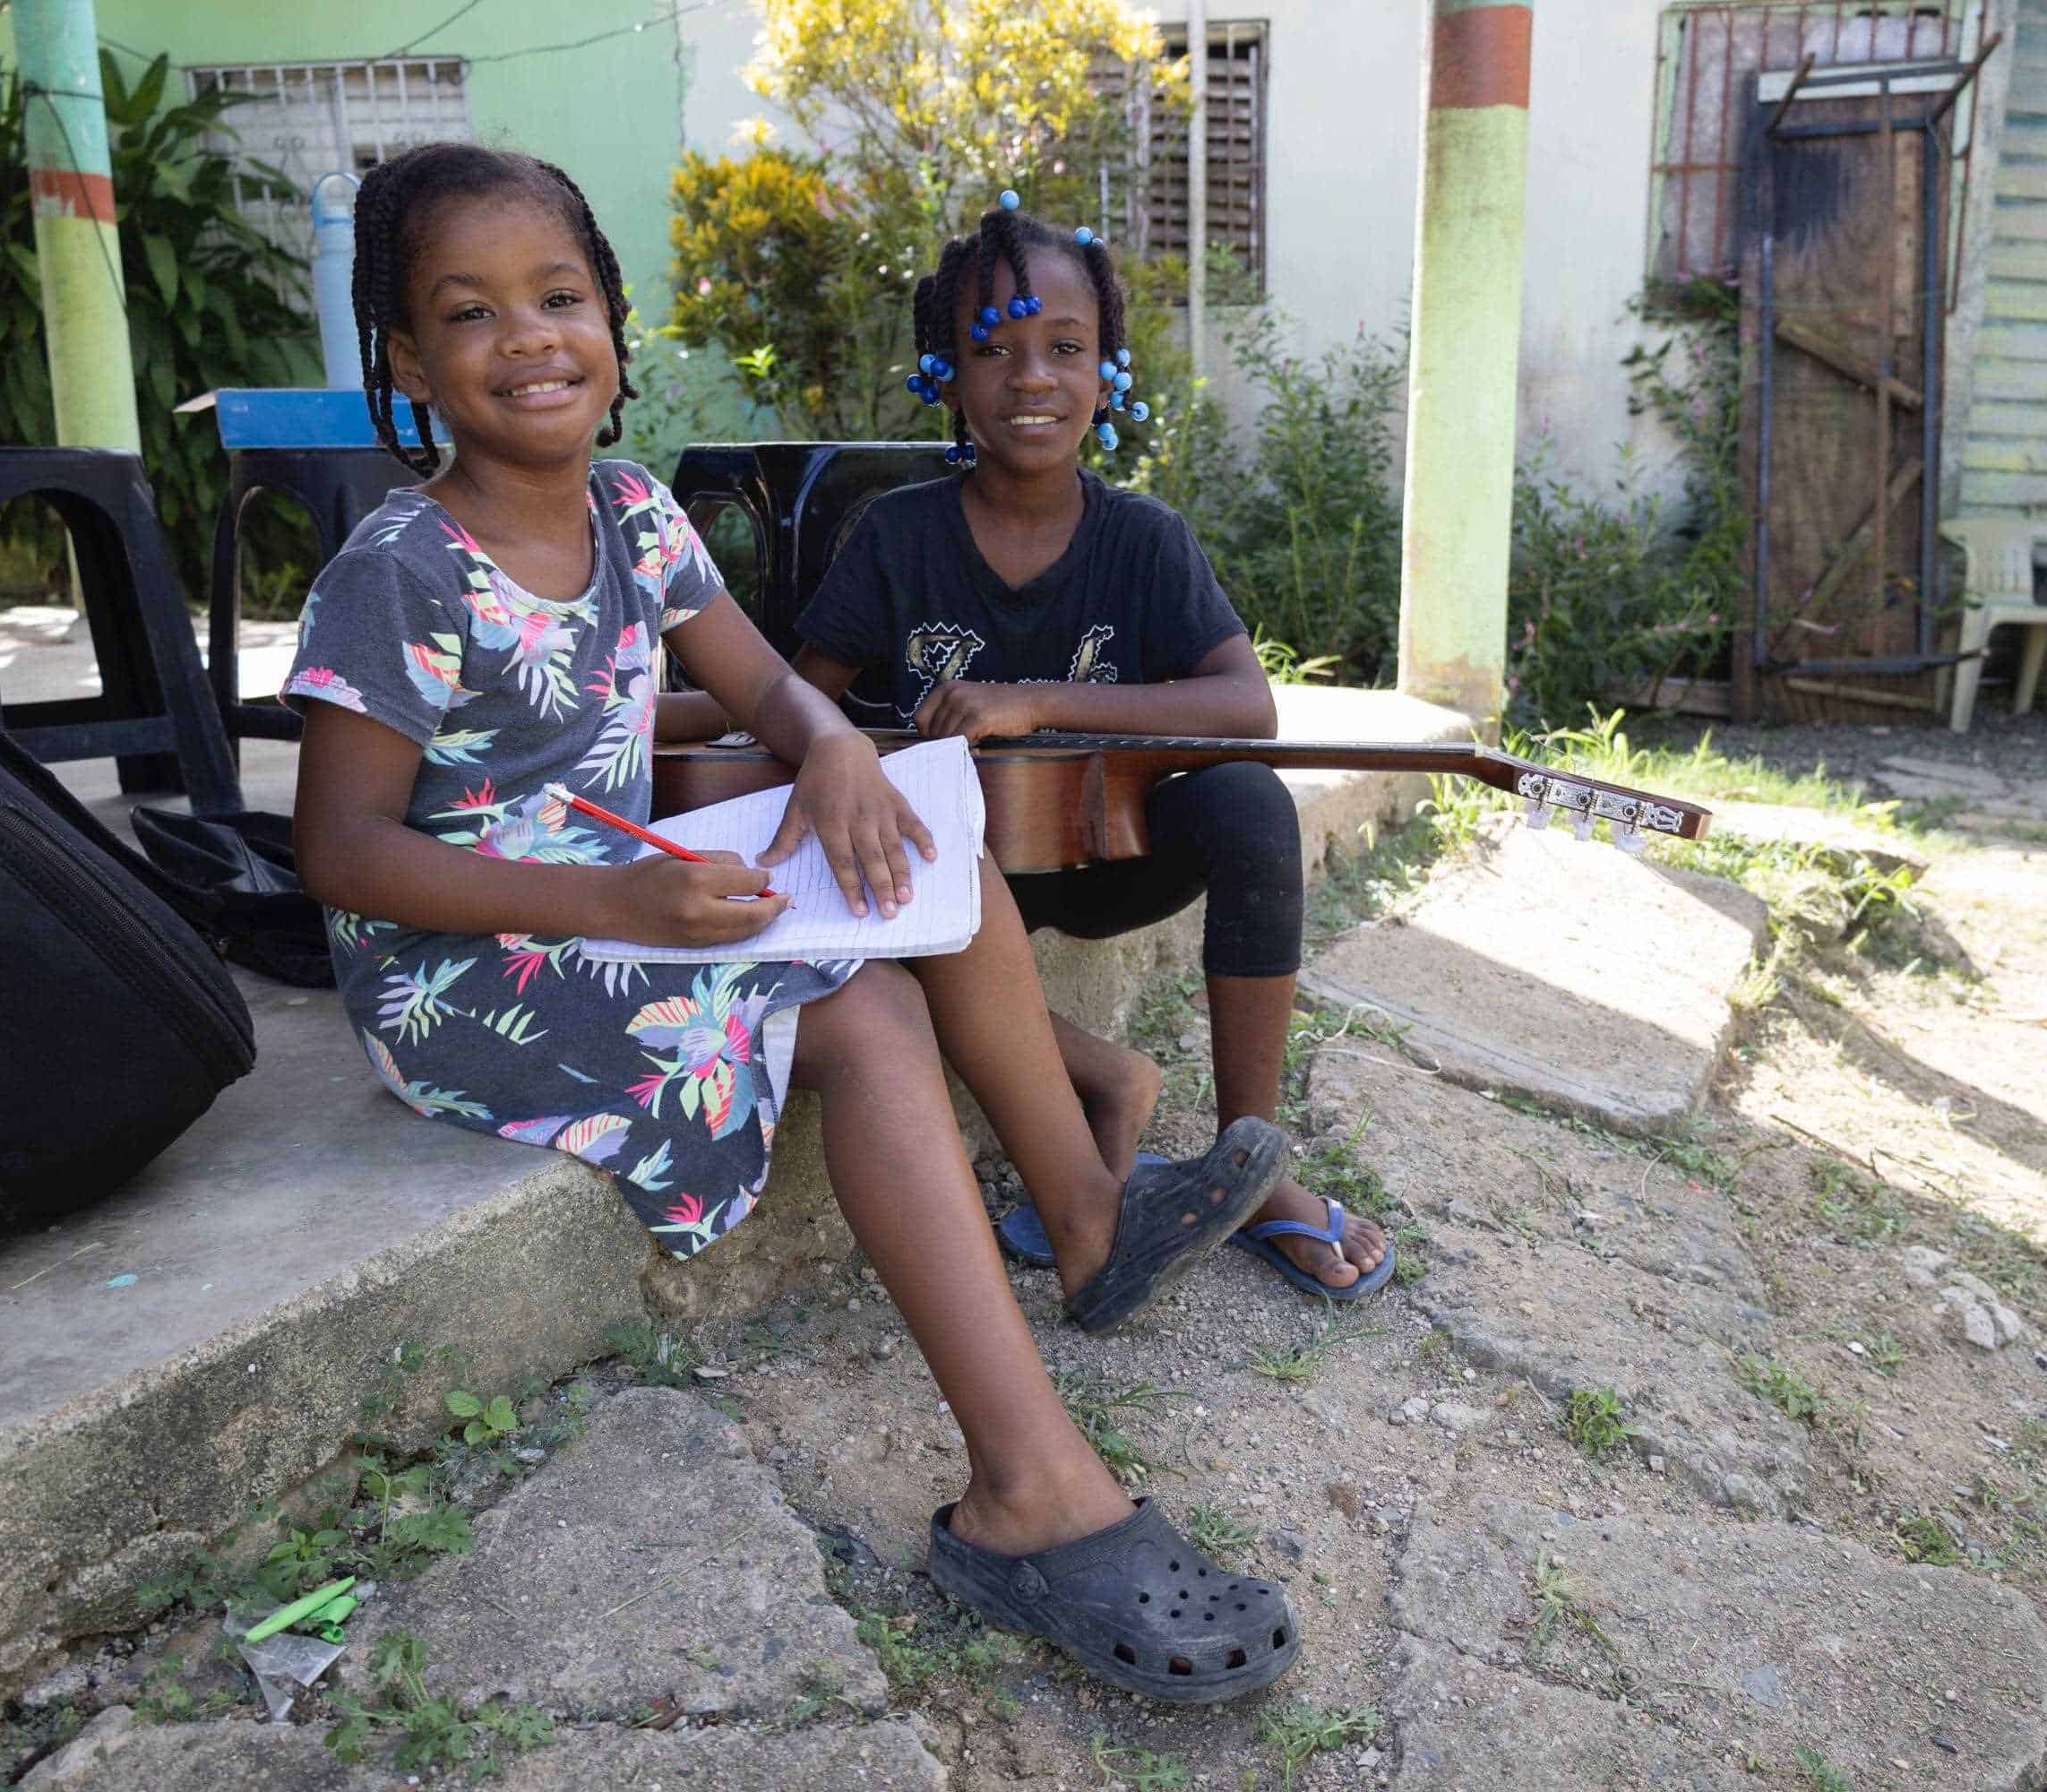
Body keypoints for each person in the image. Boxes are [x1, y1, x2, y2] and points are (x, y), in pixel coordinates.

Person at [282, 142, 1300, 1702]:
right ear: (409, 361)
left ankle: (1086, 1233)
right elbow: (342, 851)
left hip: (624, 887)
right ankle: (1033, 1486)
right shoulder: (399, 566)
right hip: (473, 961)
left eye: (559, 296)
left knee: (915, 854)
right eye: (470, 313)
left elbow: (763, 684)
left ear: (612, 318)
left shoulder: (632, 510)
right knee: (872, 1008)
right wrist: (611, 899)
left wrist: (834, 755)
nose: (529, 339)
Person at [779, 199, 1391, 1301]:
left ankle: (1250, 1165)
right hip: (952, 891)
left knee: (1251, 802)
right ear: (945, 376)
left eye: (1064, 347)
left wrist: (1029, 698)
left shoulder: (1143, 538)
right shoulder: (897, 535)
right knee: (837, 864)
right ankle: (1109, 1078)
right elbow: (794, 706)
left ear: (1106, 371)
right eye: (993, 349)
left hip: (1111, 863)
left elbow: (1248, 706)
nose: (1031, 378)